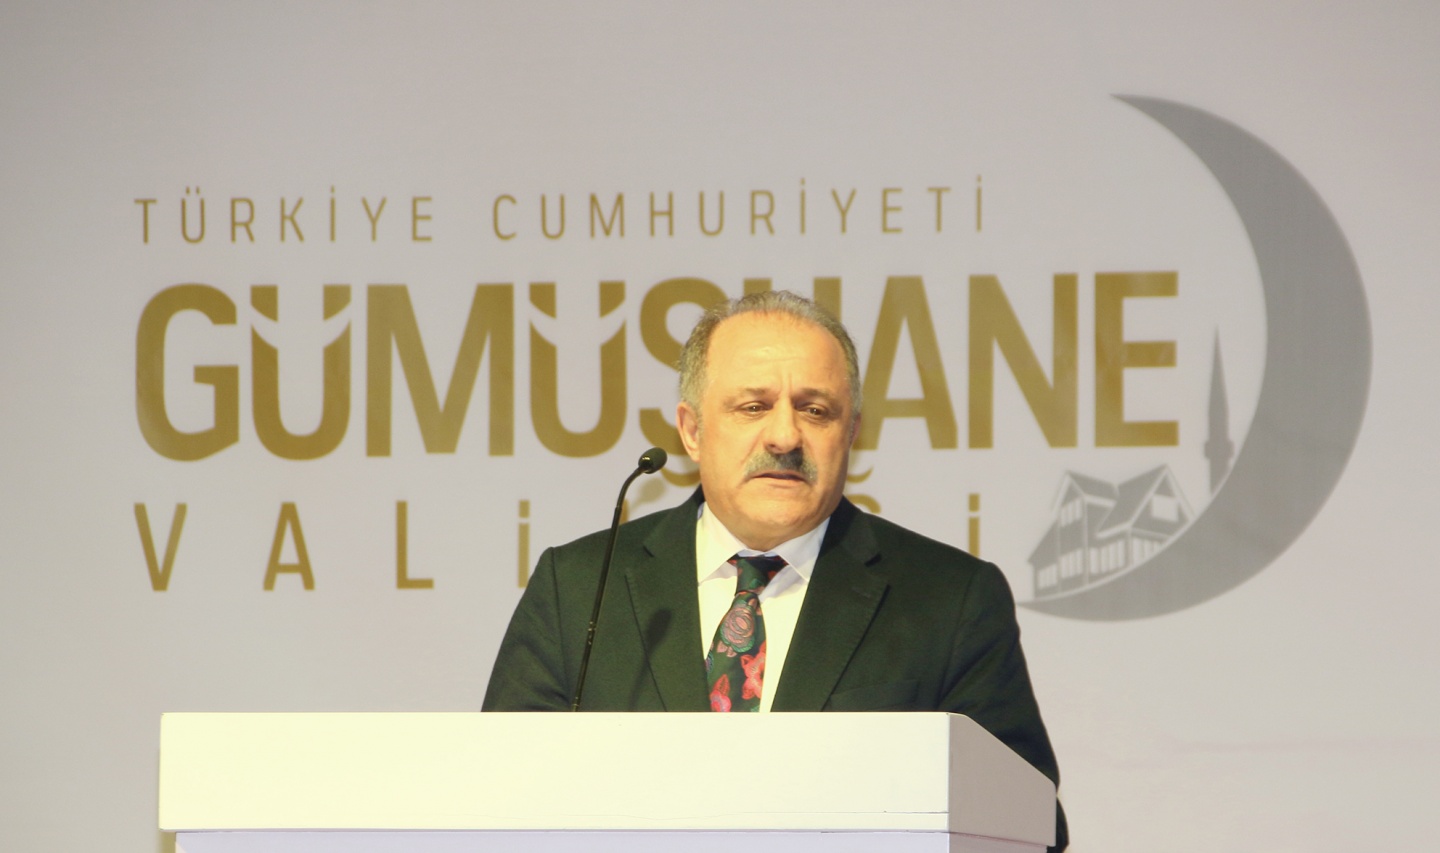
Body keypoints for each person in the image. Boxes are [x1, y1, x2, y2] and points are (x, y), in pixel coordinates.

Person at [483, 290, 1067, 851]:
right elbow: (493, 800)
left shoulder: (951, 599)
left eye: (815, 411)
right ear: (692, 430)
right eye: (753, 407)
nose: (785, 436)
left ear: (851, 434)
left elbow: (1026, 822)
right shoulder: (579, 587)